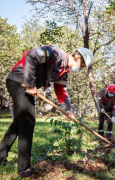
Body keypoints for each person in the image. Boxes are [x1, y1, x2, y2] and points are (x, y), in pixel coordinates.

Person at [0, 45, 93, 177]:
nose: (79, 69)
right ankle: (24, 168)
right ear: (78, 56)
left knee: (19, 122)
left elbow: (60, 91)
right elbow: (30, 55)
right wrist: (30, 84)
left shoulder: (64, 72)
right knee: (28, 121)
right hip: (18, 80)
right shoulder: (55, 53)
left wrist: (69, 111)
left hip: (25, 84)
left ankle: (1, 157)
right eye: (81, 66)